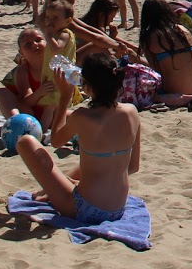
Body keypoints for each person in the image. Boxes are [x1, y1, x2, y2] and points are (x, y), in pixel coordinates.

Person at [14, 51, 141, 226]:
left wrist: (65, 96)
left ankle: (51, 191)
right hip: (118, 209)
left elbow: (56, 141)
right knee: (97, 161)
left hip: (85, 209)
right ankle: (53, 190)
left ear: (86, 86)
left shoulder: (82, 116)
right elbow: (133, 167)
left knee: (25, 142)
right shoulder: (132, 112)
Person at [137, 0, 192, 106]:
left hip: (171, 90)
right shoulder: (183, 30)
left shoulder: (151, 37)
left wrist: (137, 60)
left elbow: (154, 71)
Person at [0, 26, 62, 127]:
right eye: (28, 44)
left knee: (78, 116)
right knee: (1, 93)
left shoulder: (55, 66)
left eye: (38, 40)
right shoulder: (22, 71)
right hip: (28, 114)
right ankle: (18, 124)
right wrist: (40, 92)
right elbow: (26, 102)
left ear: (47, 44)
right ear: (21, 52)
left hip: (52, 113)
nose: (35, 45)